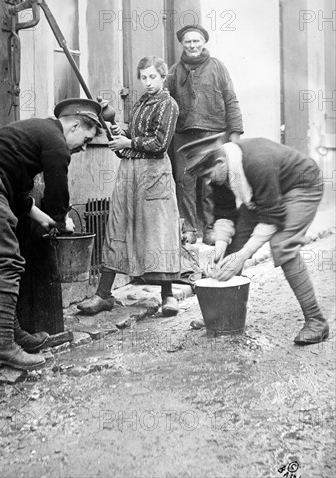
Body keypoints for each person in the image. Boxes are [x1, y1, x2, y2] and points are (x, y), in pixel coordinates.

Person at [0, 99, 102, 370]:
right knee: (5, 261)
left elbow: (17, 191)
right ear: (75, 125)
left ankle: (9, 332)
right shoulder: (56, 140)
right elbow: (58, 186)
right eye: (86, 139)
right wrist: (60, 218)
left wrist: (42, 218)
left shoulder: (36, 133)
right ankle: (2, 347)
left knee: (5, 259)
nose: (84, 147)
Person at [178, 133, 330, 345]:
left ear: (220, 162)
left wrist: (244, 255)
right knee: (234, 244)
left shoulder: (257, 163)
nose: (206, 181)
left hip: (301, 185)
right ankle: (220, 315)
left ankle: (316, 321)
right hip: (267, 194)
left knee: (282, 245)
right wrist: (221, 248)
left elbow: (272, 216)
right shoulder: (222, 171)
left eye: (207, 175)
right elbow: (225, 213)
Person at [77, 56, 181, 317]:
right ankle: (103, 294)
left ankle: (168, 295)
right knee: (117, 225)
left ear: (162, 77)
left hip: (154, 174)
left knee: (158, 231)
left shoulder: (169, 105)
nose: (147, 82)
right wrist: (113, 130)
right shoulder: (139, 105)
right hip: (129, 172)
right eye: (143, 77)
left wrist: (128, 143)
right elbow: (128, 143)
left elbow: (159, 145)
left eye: (152, 77)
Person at [167, 24, 244, 245]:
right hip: (183, 135)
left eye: (196, 41)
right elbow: (164, 101)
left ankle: (210, 229)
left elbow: (231, 99)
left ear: (204, 43)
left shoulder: (218, 67)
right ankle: (190, 229)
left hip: (213, 133)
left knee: (211, 182)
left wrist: (235, 133)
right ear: (182, 44)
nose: (192, 45)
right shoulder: (174, 71)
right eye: (188, 42)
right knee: (185, 181)